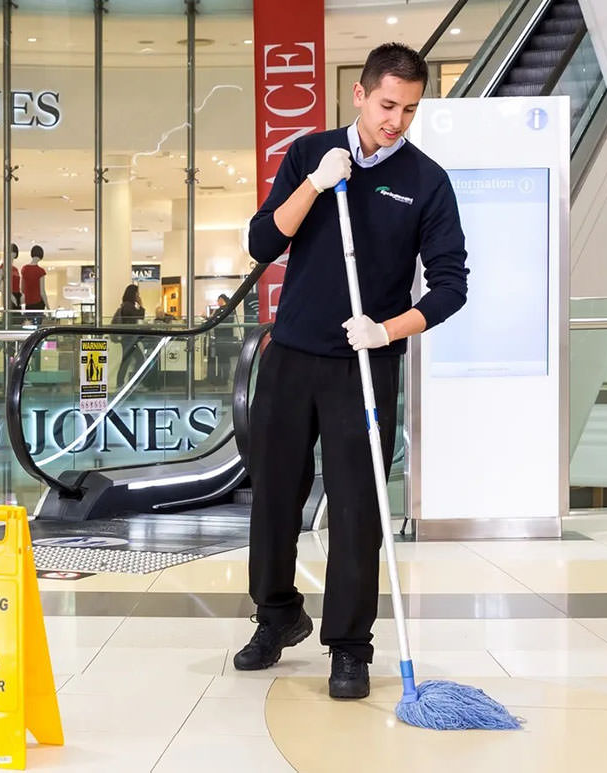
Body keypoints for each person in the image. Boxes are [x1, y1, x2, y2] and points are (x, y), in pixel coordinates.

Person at [232, 43, 468, 700]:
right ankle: (277, 615)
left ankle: (350, 645)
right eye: (387, 104)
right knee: (275, 494)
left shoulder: (425, 181)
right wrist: (314, 184)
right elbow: (262, 242)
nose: (396, 120)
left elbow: (451, 286)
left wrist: (386, 330)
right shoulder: (311, 153)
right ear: (360, 94)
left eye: (410, 109)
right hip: (290, 357)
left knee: (358, 508)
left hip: (362, 365)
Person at [112, 284, 146, 388]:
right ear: (133, 293)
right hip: (129, 338)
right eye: (137, 293)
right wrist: (141, 305)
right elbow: (139, 317)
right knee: (137, 360)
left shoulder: (125, 305)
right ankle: (131, 383)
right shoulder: (129, 306)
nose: (138, 295)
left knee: (127, 360)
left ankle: (122, 383)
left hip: (127, 338)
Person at [208, 293, 238, 386]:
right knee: (225, 359)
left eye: (218, 300)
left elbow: (214, 320)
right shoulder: (230, 309)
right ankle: (224, 378)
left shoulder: (222, 310)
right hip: (226, 337)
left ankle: (223, 379)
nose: (217, 302)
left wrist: (211, 316)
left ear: (221, 299)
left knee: (222, 359)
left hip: (222, 337)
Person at [19, 244, 48, 323]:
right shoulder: (41, 271)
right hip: (38, 303)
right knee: (37, 326)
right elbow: (42, 292)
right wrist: (48, 307)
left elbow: (22, 288)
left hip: (28, 303)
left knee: (29, 325)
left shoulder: (24, 269)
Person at [0, 243, 22, 310]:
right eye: (11, 252)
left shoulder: (15, 269)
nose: (13, 254)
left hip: (17, 295)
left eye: (14, 252)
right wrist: (9, 295)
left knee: (17, 318)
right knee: (10, 316)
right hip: (9, 296)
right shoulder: (3, 266)